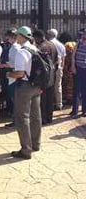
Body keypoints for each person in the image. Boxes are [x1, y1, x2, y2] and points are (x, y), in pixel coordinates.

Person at [7, 26, 42, 159]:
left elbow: (20, 73)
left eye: (17, 36)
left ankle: (26, 150)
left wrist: (9, 74)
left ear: (21, 36)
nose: (16, 38)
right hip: (36, 86)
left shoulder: (22, 52)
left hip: (25, 86)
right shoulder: (35, 48)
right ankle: (35, 144)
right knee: (35, 116)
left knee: (22, 118)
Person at [33, 30, 58, 124]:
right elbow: (56, 60)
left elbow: (39, 64)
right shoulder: (52, 45)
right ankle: (49, 118)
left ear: (38, 38)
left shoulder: (40, 48)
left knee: (43, 98)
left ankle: (43, 119)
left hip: (44, 76)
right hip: (52, 74)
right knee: (50, 98)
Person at [47, 29, 66, 110]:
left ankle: (49, 104)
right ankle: (59, 104)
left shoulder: (47, 44)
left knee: (49, 86)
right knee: (58, 86)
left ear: (49, 35)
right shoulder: (61, 45)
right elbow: (63, 58)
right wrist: (61, 68)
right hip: (58, 67)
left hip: (49, 68)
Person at [70, 30, 86, 119]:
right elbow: (73, 55)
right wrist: (73, 66)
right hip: (78, 69)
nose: (84, 35)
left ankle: (84, 111)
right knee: (76, 90)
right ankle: (75, 112)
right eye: (84, 34)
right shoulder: (79, 43)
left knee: (85, 90)